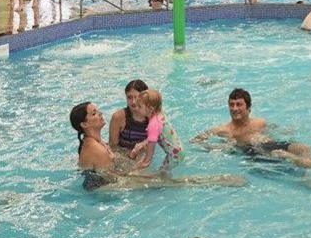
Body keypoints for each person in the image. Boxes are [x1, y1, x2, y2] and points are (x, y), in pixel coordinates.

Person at [71, 102, 244, 191]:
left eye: (98, 110)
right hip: (103, 188)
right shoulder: (94, 149)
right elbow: (113, 178)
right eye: (94, 114)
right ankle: (215, 181)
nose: (100, 113)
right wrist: (138, 171)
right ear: (84, 125)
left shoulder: (96, 142)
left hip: (105, 179)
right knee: (166, 183)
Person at [193, 88, 311, 172]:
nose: (234, 108)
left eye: (239, 104)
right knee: (280, 154)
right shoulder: (224, 130)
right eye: (231, 105)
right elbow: (195, 141)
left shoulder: (260, 122)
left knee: (304, 148)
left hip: (271, 143)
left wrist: (287, 132)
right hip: (254, 151)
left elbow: (275, 129)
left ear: (248, 108)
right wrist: (218, 147)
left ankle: (308, 175)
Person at [130, 89, 185, 173]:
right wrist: (142, 144)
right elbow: (157, 134)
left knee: (161, 174)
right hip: (179, 151)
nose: (138, 108)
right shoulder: (160, 114)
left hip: (173, 156)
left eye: (140, 107)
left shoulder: (153, 124)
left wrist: (143, 164)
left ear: (150, 109)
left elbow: (150, 152)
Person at [109, 79, 150, 153]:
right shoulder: (118, 117)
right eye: (129, 97)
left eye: (137, 97)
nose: (133, 101)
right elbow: (113, 147)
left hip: (143, 154)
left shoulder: (151, 116)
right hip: (123, 155)